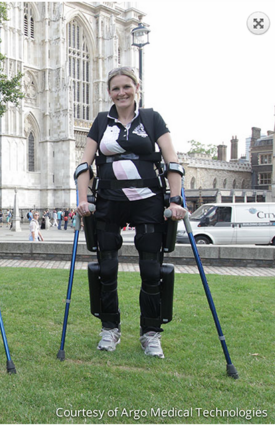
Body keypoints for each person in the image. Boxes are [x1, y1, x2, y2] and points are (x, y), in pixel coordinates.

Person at [76, 67, 186, 359]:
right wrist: (83, 198)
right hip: (109, 200)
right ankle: (109, 328)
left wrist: (174, 200)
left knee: (152, 270)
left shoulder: (152, 119)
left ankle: (150, 333)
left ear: (137, 87)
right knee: (106, 269)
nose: (121, 93)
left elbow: (171, 161)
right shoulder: (102, 121)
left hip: (148, 200)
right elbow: (84, 165)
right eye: (115, 88)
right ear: (109, 92)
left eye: (126, 86)